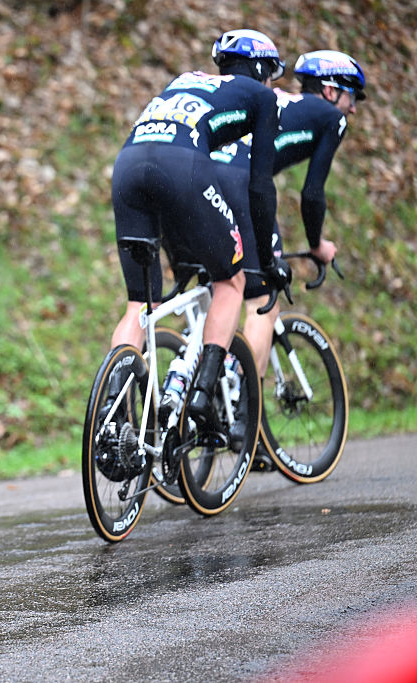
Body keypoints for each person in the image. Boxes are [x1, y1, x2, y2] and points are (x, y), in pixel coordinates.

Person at [107, 29, 291, 431]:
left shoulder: (186, 79)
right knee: (232, 281)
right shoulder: (263, 98)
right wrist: (268, 258)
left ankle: (111, 411)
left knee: (140, 304)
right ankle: (203, 397)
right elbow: (260, 187)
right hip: (182, 168)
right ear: (263, 72)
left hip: (128, 165)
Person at [211, 50, 365, 466]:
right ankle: (247, 420)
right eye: (353, 96)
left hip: (202, 178)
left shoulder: (274, 99)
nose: (354, 107)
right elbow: (313, 193)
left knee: (226, 288)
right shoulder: (330, 117)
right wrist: (317, 245)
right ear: (331, 91)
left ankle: (211, 382)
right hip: (242, 183)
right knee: (263, 300)